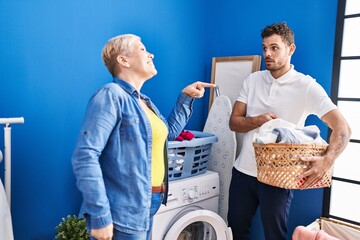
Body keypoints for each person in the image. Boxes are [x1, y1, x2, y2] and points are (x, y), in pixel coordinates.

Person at [71, 34, 215, 240]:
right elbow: (85, 156)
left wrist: (186, 97)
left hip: (149, 202)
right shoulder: (111, 94)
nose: (150, 54)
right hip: (123, 208)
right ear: (123, 60)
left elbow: (168, 134)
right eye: (142, 49)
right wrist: (100, 215)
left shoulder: (144, 101)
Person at [227, 22, 351, 240]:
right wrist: (260, 120)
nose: (267, 53)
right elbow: (234, 122)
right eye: (264, 48)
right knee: (235, 232)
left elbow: (343, 129)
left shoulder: (306, 86)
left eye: (274, 48)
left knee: (275, 236)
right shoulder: (253, 80)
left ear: (290, 49)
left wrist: (327, 160)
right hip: (242, 173)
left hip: (278, 178)